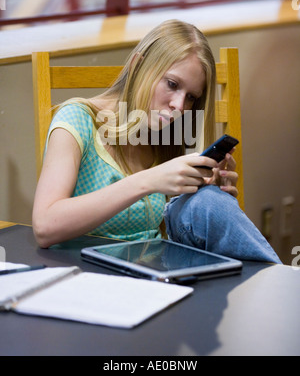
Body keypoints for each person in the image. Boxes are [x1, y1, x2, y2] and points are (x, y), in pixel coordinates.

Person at [32, 19, 281, 263]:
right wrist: (147, 181)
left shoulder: (164, 135)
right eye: (172, 84)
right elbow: (45, 227)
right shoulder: (78, 119)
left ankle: (275, 290)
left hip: (155, 272)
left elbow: (168, 229)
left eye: (191, 97)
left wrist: (204, 192)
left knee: (208, 203)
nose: (179, 106)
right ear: (138, 64)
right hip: (90, 272)